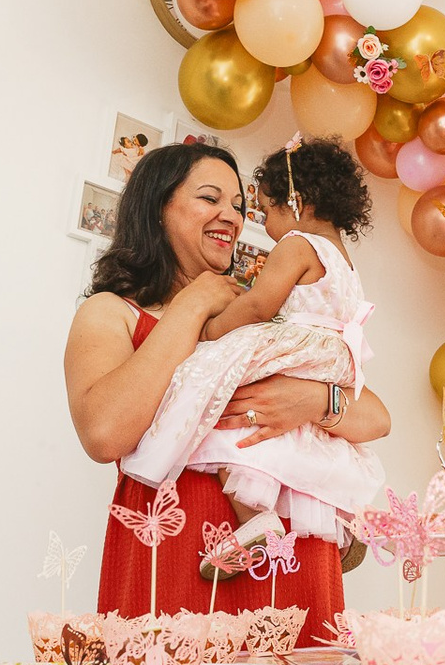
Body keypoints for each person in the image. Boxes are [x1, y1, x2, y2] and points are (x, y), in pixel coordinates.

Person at [64, 141, 392, 643]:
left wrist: (312, 401)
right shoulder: (112, 312)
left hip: (291, 558)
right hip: (180, 554)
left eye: (239, 205)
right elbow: (105, 434)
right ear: (157, 208)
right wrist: (193, 305)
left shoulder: (258, 312)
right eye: (209, 198)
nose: (233, 217)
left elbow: (375, 416)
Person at [120, 137, 385, 566]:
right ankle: (339, 514)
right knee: (304, 437)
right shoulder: (344, 260)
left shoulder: (296, 244)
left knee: (215, 404)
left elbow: (260, 305)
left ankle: (255, 517)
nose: (260, 224)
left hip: (293, 344)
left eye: (262, 211)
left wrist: (213, 330)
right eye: (210, 199)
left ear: (295, 202)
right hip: (331, 355)